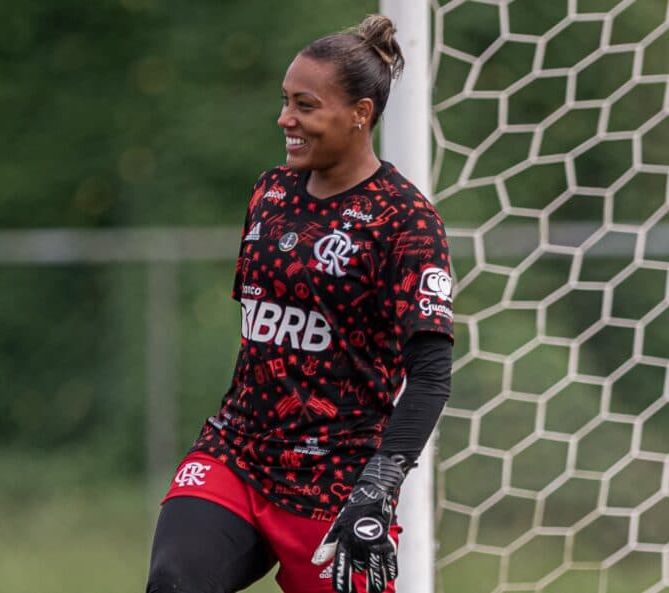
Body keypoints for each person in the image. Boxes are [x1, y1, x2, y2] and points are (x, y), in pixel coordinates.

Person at [146, 14, 453, 593]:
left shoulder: (405, 222)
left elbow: (432, 377)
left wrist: (378, 487)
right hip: (235, 455)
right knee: (175, 581)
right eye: (285, 101)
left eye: (305, 106)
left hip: (337, 486)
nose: (285, 118)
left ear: (360, 113)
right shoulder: (270, 193)